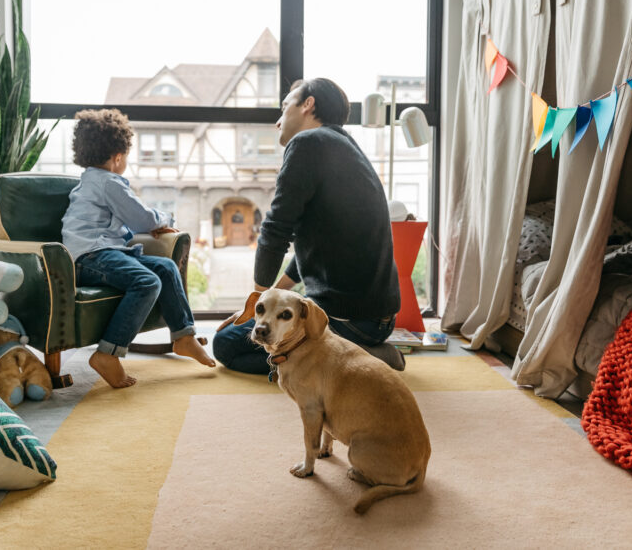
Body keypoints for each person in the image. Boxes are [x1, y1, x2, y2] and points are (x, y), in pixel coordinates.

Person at [213, 77, 403, 374]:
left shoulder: (307, 143)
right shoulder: (344, 146)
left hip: (348, 321)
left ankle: (357, 357)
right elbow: (314, 251)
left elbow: (275, 230)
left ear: (308, 104)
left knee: (225, 344)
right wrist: (269, 299)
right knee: (256, 335)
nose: (278, 121)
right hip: (377, 319)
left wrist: (258, 311)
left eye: (285, 106)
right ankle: (354, 353)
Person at [62, 108, 215, 388]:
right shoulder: (108, 183)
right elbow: (141, 217)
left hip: (101, 253)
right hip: (91, 256)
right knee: (146, 281)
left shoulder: (92, 181)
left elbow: (124, 223)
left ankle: (183, 337)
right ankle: (107, 353)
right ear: (118, 157)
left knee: (167, 267)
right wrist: (164, 220)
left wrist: (143, 225)